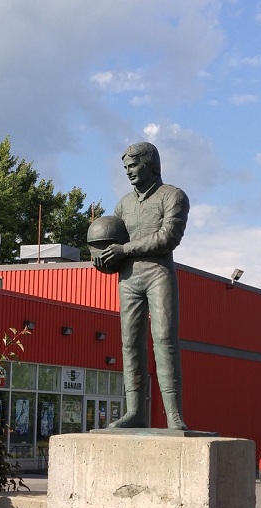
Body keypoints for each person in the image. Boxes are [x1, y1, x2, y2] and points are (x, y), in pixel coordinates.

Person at [93, 142, 189, 430]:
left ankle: (173, 414)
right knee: (130, 344)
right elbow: (113, 244)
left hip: (158, 273)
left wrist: (125, 250)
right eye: (125, 168)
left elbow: (168, 238)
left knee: (164, 341)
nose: (129, 172)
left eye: (133, 166)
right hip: (129, 278)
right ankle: (134, 411)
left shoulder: (173, 196)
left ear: (151, 165)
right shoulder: (123, 205)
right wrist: (103, 259)